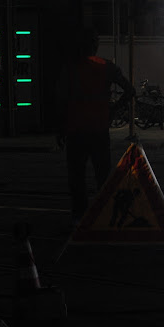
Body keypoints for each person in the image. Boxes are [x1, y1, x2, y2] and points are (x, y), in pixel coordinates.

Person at [55, 26, 135, 227]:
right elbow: (130, 90)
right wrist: (113, 110)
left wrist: (60, 128)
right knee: (103, 176)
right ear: (95, 46)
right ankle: (105, 213)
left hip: (75, 129)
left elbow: (62, 101)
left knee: (77, 177)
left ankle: (79, 216)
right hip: (99, 129)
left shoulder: (70, 68)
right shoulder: (107, 67)